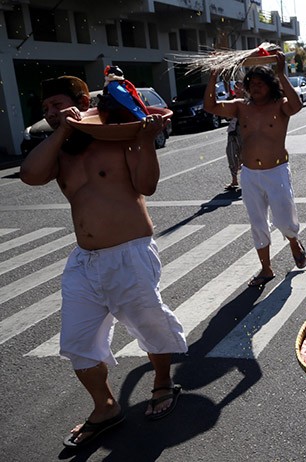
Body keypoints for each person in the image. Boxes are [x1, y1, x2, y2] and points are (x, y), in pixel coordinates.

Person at [19, 75, 188, 447]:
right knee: (77, 341)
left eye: (57, 104)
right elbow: (30, 175)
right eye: (45, 108)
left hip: (129, 254)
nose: (49, 112)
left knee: (149, 324)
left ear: (83, 101)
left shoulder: (118, 135)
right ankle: (106, 405)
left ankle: (162, 382)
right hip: (85, 261)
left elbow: (147, 186)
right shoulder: (58, 151)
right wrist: (63, 130)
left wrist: (145, 140)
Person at [204, 53, 306, 287]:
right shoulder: (241, 107)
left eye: (261, 83)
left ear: (270, 85)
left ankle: (293, 241)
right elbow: (210, 106)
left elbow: (297, 105)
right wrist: (213, 77)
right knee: (257, 221)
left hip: (277, 171)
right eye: (252, 84)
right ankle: (266, 268)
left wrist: (281, 73)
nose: (256, 87)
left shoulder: (279, 105)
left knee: (284, 218)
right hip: (250, 173)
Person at [224, 81, 244, 190]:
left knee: (244, 155)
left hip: (245, 131)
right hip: (233, 130)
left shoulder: (248, 101)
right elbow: (226, 115)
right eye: (235, 87)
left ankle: (248, 180)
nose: (237, 89)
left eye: (239, 87)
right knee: (230, 153)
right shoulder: (232, 100)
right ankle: (234, 180)